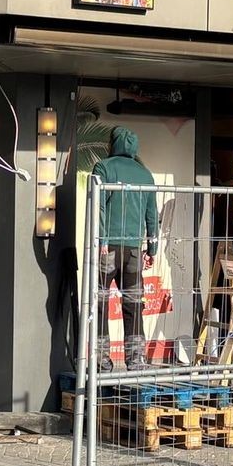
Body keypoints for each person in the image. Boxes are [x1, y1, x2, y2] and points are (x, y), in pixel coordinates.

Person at [92, 127, 159, 372]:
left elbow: (98, 207)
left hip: (107, 248)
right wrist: (152, 248)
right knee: (134, 304)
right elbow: (152, 215)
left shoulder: (103, 168)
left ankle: (102, 360)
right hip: (134, 251)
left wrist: (100, 241)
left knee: (100, 303)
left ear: (113, 143)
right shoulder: (145, 174)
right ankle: (136, 359)